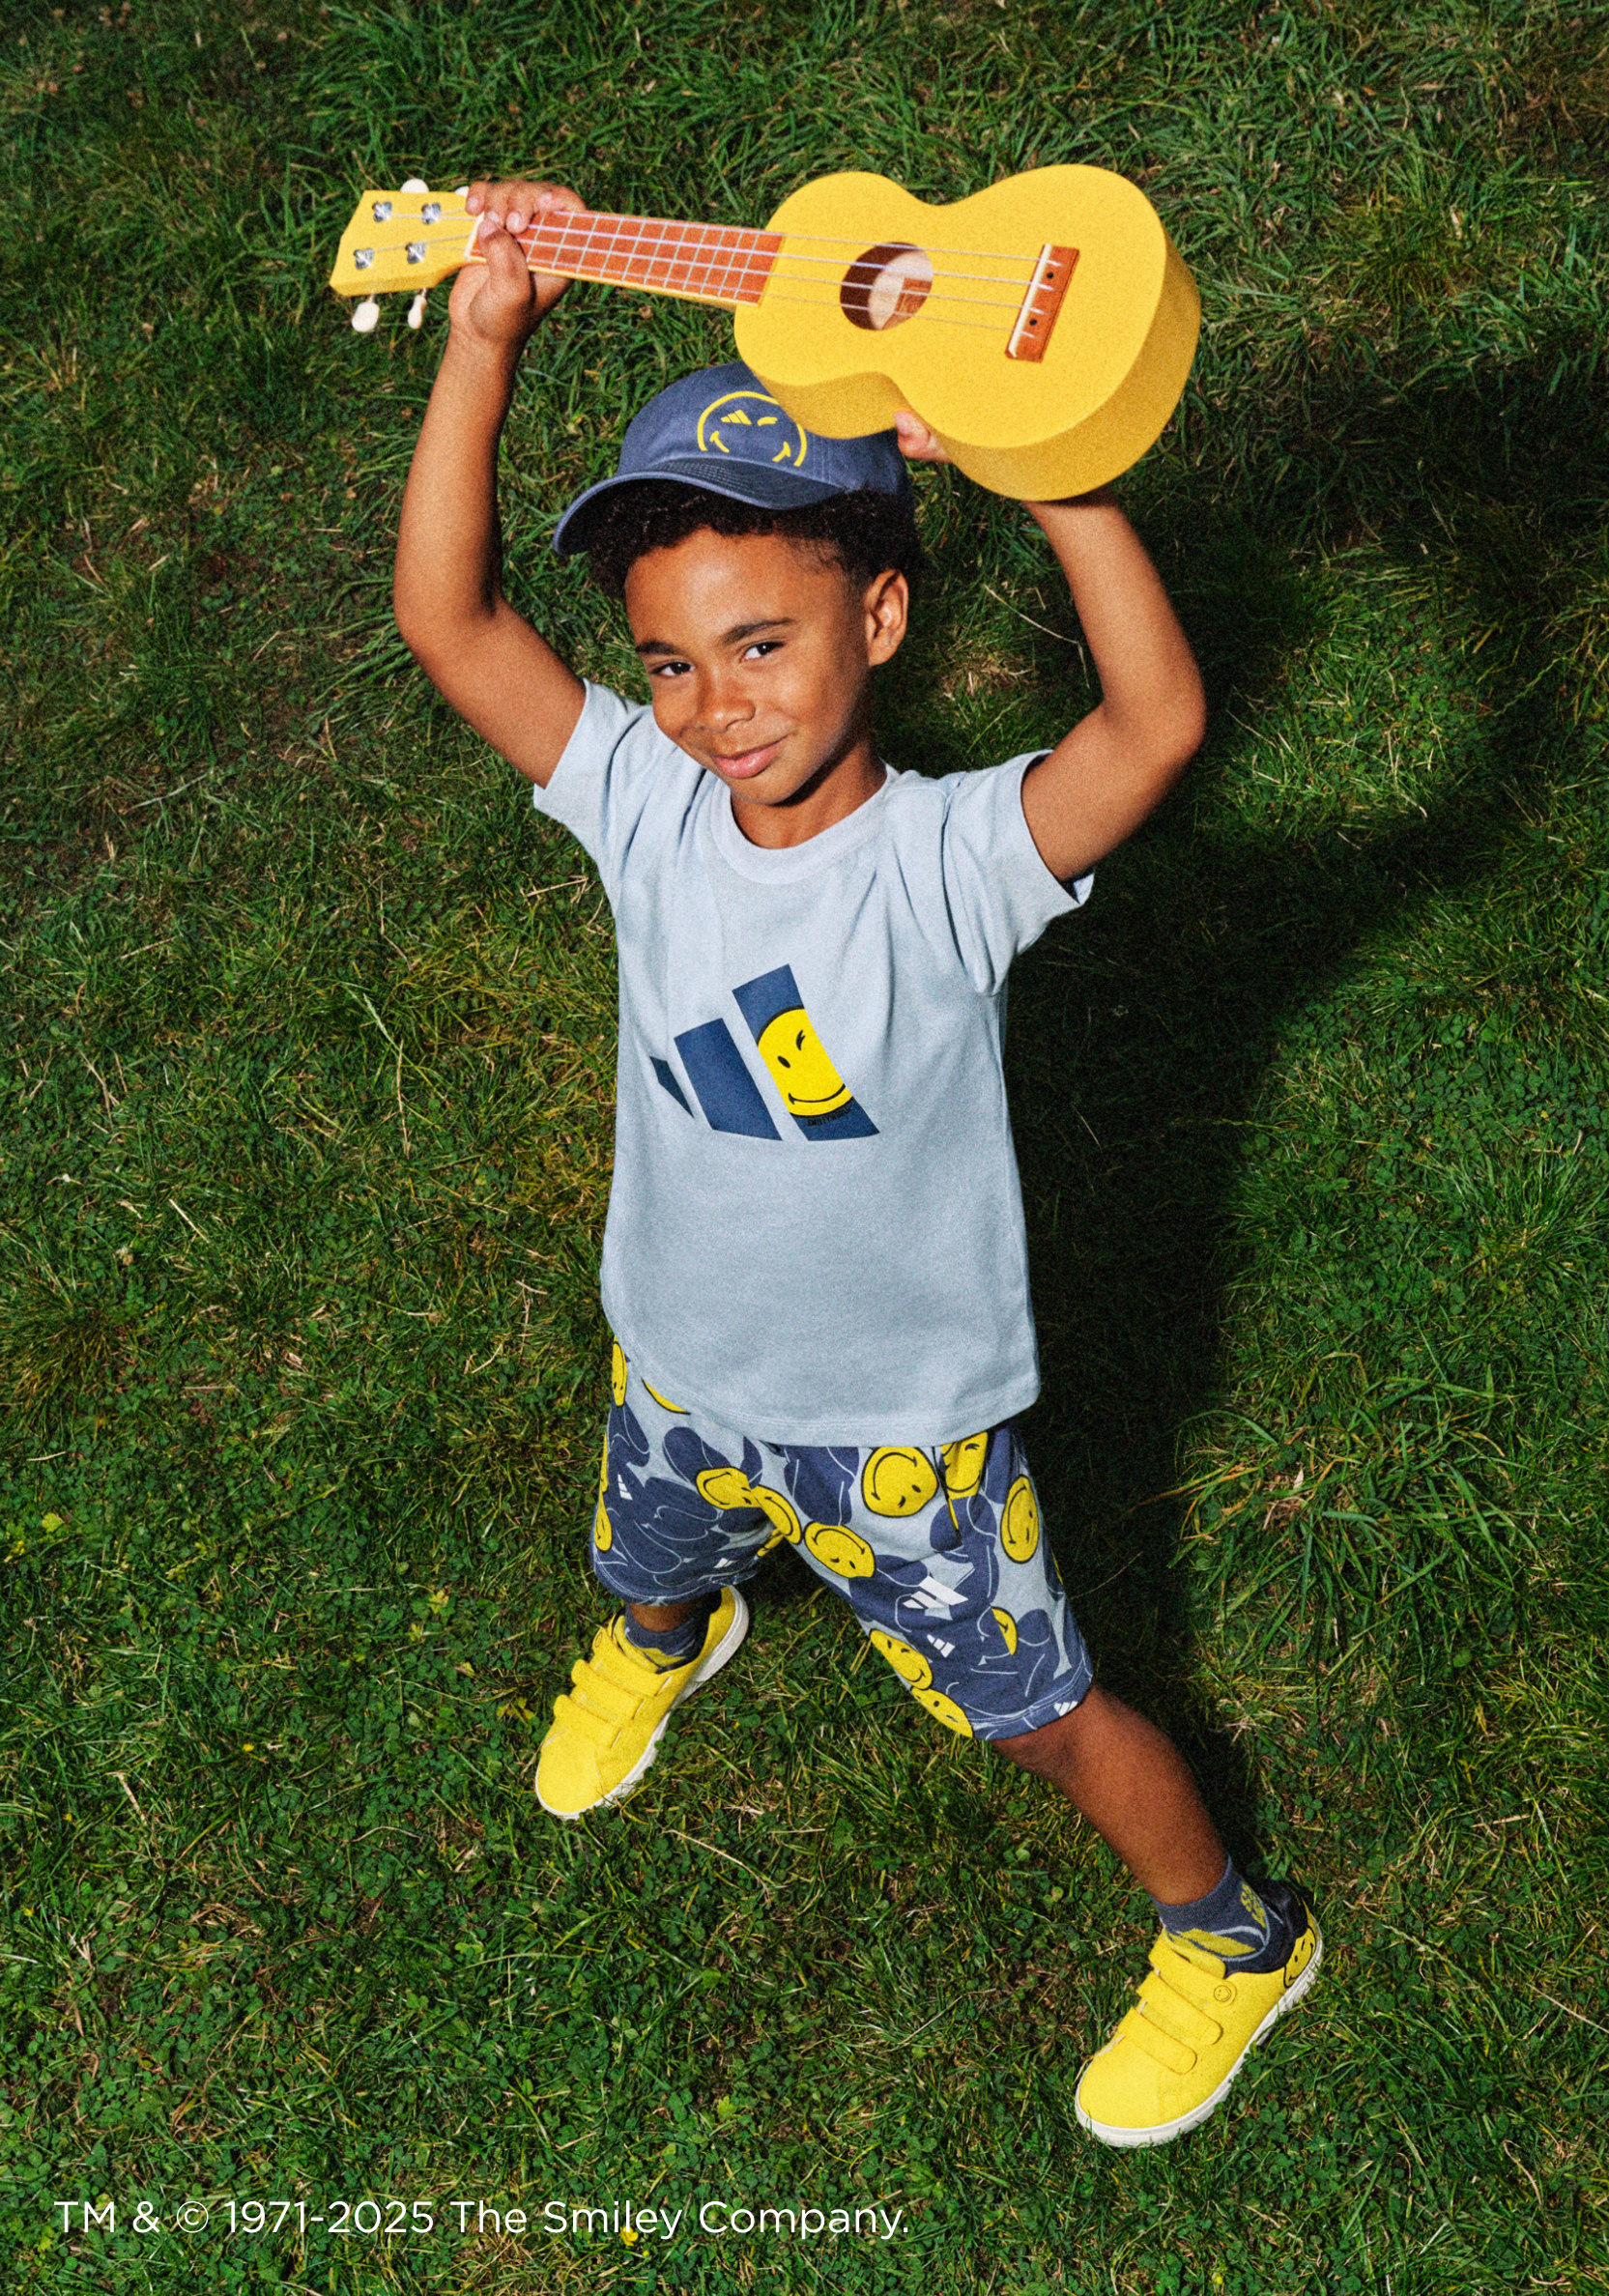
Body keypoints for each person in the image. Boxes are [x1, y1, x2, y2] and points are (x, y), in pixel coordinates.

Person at [392, 176, 1320, 2147]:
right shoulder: (645, 811)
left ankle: (1230, 1930)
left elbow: (1154, 723)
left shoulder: (950, 865)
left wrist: (1043, 470)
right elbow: (447, 620)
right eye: (668, 662)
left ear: (882, 615)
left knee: (1041, 1715)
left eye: (761, 644)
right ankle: (679, 1633)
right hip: (679, 1358)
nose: (714, 706)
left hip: (901, 1432)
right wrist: (485, 343)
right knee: (645, 1551)